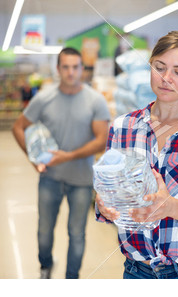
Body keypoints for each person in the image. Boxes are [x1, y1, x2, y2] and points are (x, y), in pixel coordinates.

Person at [95, 31, 178, 279]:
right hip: (138, 272)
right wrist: (105, 204)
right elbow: (108, 190)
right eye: (159, 67)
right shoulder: (123, 127)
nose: (166, 78)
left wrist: (169, 207)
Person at [12, 47, 111, 279]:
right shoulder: (43, 98)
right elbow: (19, 126)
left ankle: (71, 279)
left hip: (82, 180)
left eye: (75, 67)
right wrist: (32, 158)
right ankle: (45, 266)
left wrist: (67, 156)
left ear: (82, 69)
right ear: (58, 69)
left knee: (76, 234)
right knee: (44, 231)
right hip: (50, 178)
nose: (70, 72)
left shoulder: (95, 100)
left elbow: (102, 141)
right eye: (65, 67)